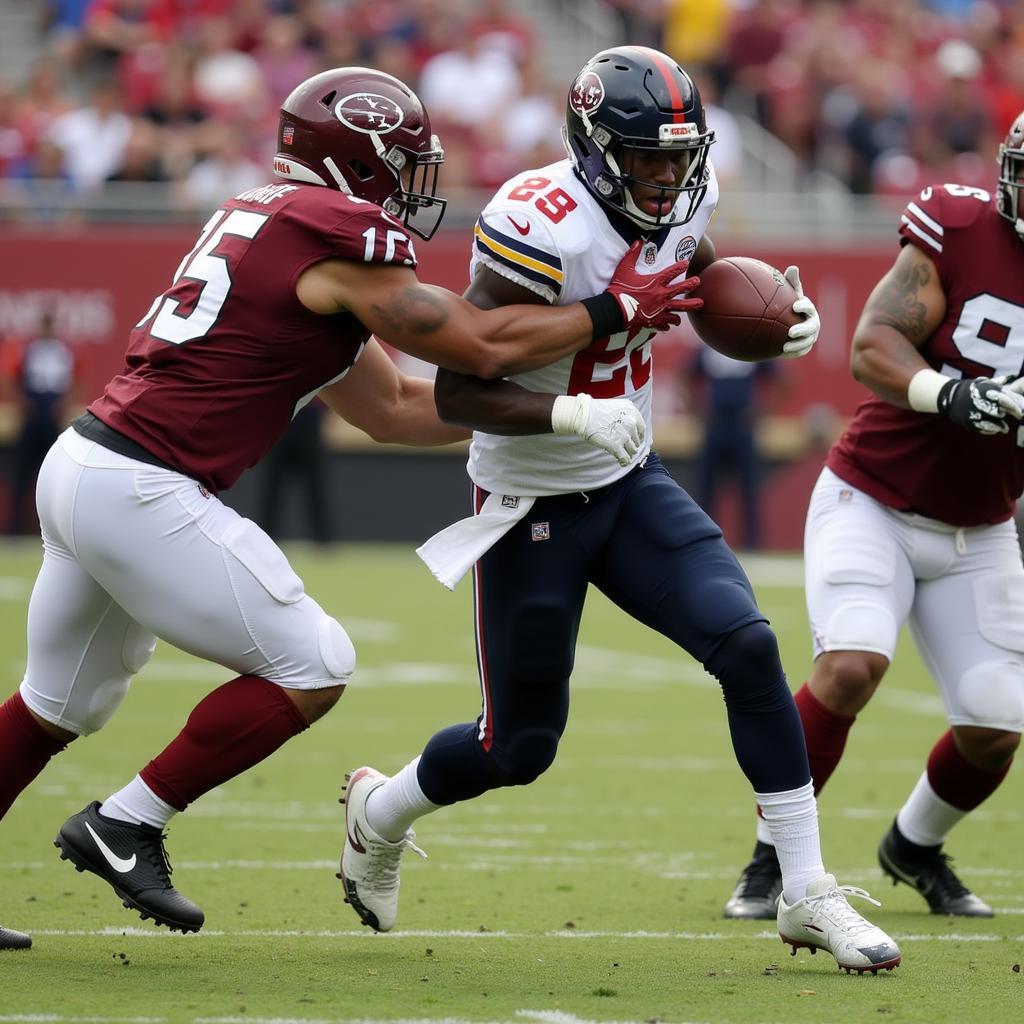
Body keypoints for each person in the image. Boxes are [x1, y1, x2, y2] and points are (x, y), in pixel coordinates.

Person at [0, 65, 699, 948]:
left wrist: (558, 419)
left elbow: (401, 410)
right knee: (313, 663)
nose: (413, 187)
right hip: (143, 483)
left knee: (56, 705)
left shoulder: (274, 225)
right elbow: (476, 342)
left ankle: (124, 820)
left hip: (83, 467)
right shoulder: (337, 236)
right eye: (402, 164)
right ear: (356, 162)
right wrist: (610, 310)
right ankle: (129, 821)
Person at [338, 46, 902, 975]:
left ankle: (805, 890)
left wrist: (765, 315)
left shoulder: (687, 191)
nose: (667, 177)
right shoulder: (540, 221)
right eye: (647, 160)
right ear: (598, 149)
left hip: (628, 479)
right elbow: (459, 389)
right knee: (516, 747)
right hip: (530, 497)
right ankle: (380, 812)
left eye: (680, 158)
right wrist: (567, 406)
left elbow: (696, 269)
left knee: (750, 646)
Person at [723, 113, 1024, 921]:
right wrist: (949, 392)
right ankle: (773, 854)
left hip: (982, 528)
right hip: (875, 497)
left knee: (998, 723)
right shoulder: (960, 228)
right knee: (851, 665)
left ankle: (914, 846)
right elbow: (873, 343)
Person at [681, 346, 787, 550]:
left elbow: (783, 380)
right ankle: (703, 542)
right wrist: (696, 409)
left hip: (742, 426)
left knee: (749, 489)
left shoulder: (751, 350)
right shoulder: (708, 351)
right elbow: (685, 377)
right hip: (715, 425)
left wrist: (762, 412)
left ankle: (752, 545)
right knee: (706, 488)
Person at [3, 310, 78, 536]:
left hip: (52, 409)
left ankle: (50, 529)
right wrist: (22, 403)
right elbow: (9, 376)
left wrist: (65, 403)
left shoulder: (64, 350)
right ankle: (14, 529)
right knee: (22, 472)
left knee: (52, 471)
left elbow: (77, 378)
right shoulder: (28, 349)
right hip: (32, 411)